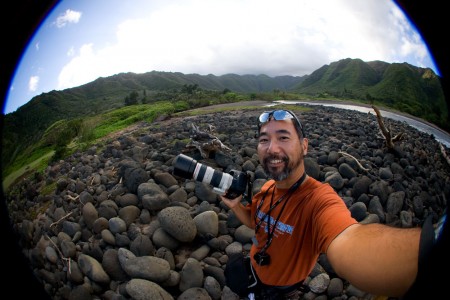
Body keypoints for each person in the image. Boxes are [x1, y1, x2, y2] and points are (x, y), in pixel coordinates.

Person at [221, 109, 445, 299]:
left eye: (283, 137)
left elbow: (349, 242)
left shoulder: (319, 200)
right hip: (255, 267)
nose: (272, 148)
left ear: (304, 146)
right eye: (263, 140)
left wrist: (428, 248)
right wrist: (236, 207)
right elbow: (255, 221)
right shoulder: (267, 188)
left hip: (281, 286)